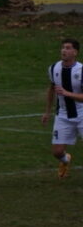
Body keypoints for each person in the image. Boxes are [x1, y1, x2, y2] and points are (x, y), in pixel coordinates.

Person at [43, 38, 82, 179]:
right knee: (57, 152)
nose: (64, 50)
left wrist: (67, 93)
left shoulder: (81, 70)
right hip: (63, 115)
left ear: (75, 52)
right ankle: (66, 160)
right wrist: (47, 111)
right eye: (63, 48)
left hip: (82, 114)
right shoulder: (54, 68)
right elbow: (51, 89)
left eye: (68, 48)